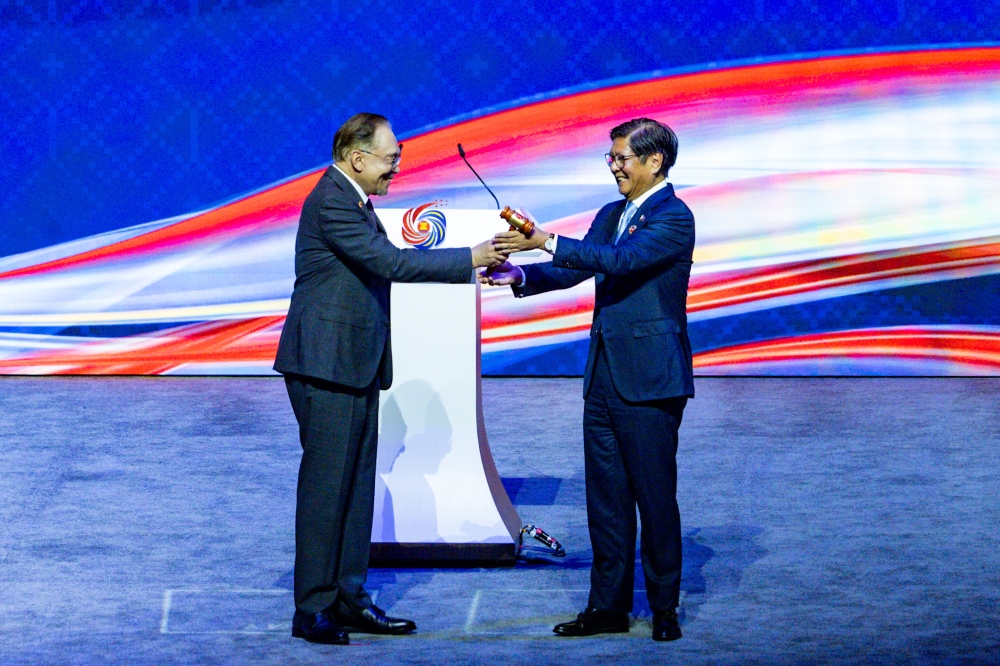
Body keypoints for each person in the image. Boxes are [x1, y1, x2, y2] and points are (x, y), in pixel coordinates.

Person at [274, 113, 505, 646]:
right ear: (358, 158)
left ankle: (349, 598)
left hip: (352, 361)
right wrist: (469, 258)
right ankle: (313, 607)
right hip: (326, 364)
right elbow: (390, 262)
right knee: (327, 488)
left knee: (355, 487)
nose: (397, 167)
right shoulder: (333, 200)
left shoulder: (354, 200)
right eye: (390, 157)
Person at [484, 118, 695, 642]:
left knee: (654, 499)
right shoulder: (611, 213)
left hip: (651, 380)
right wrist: (522, 274)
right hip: (602, 377)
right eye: (611, 158)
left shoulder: (674, 217)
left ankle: (664, 609)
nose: (614, 167)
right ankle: (607, 608)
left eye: (623, 158)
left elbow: (620, 261)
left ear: (655, 162)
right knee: (606, 501)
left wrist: (544, 240)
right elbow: (577, 268)